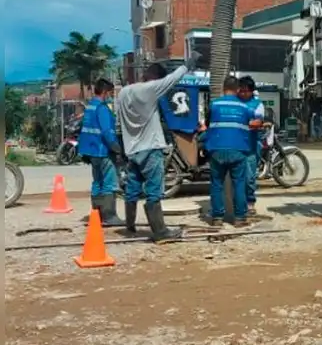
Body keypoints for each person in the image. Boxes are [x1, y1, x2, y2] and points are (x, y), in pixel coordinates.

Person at [116, 55, 199, 243]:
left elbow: (119, 123)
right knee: (154, 191)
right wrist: (187, 66)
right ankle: (160, 232)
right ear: (155, 79)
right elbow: (170, 80)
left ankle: (129, 227)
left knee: (132, 188)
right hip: (150, 148)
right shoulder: (150, 90)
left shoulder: (123, 92)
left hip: (132, 149)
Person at [205, 76, 262, 227]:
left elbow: (207, 123)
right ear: (237, 89)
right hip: (238, 150)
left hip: (216, 149)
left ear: (223, 88)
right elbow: (252, 122)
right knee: (239, 184)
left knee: (217, 184)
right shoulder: (245, 107)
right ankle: (239, 218)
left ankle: (217, 218)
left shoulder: (214, 104)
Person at [77, 78, 126, 227]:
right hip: (102, 150)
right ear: (105, 92)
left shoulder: (90, 106)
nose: (111, 96)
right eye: (111, 93)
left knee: (97, 182)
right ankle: (109, 216)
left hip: (91, 151)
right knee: (109, 183)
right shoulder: (102, 108)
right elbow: (107, 132)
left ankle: (96, 213)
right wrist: (117, 149)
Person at [237, 76, 266, 217]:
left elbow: (257, 122)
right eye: (241, 91)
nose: (243, 94)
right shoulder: (234, 102)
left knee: (249, 178)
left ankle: (250, 203)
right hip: (235, 146)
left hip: (251, 146)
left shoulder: (257, 104)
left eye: (246, 91)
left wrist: (239, 123)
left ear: (251, 91)